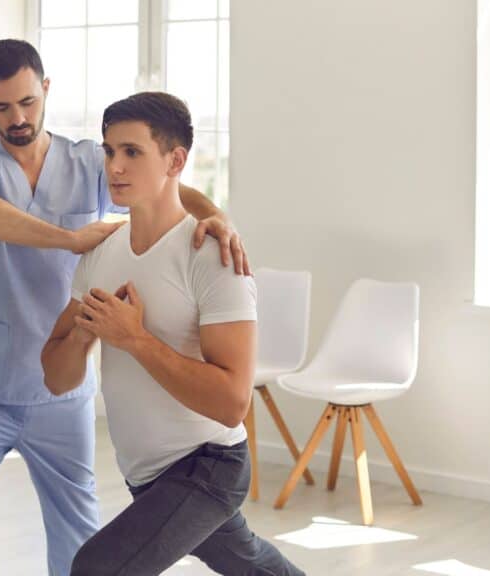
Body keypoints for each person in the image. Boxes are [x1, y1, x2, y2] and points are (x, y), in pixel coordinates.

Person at [0, 40, 250, 576]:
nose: (18, 118)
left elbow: (166, 184)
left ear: (45, 89)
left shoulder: (88, 160)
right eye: (1, 107)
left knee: (78, 534)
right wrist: (69, 239)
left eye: (27, 101)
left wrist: (220, 218)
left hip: (61, 392)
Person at [42, 92, 305, 575]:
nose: (114, 166)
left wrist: (134, 340)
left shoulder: (214, 256)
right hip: (147, 474)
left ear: (175, 160)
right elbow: (56, 378)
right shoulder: (101, 251)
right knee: (251, 564)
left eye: (132, 152)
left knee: (96, 569)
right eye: (109, 150)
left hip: (208, 466)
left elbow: (232, 402)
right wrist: (85, 334)